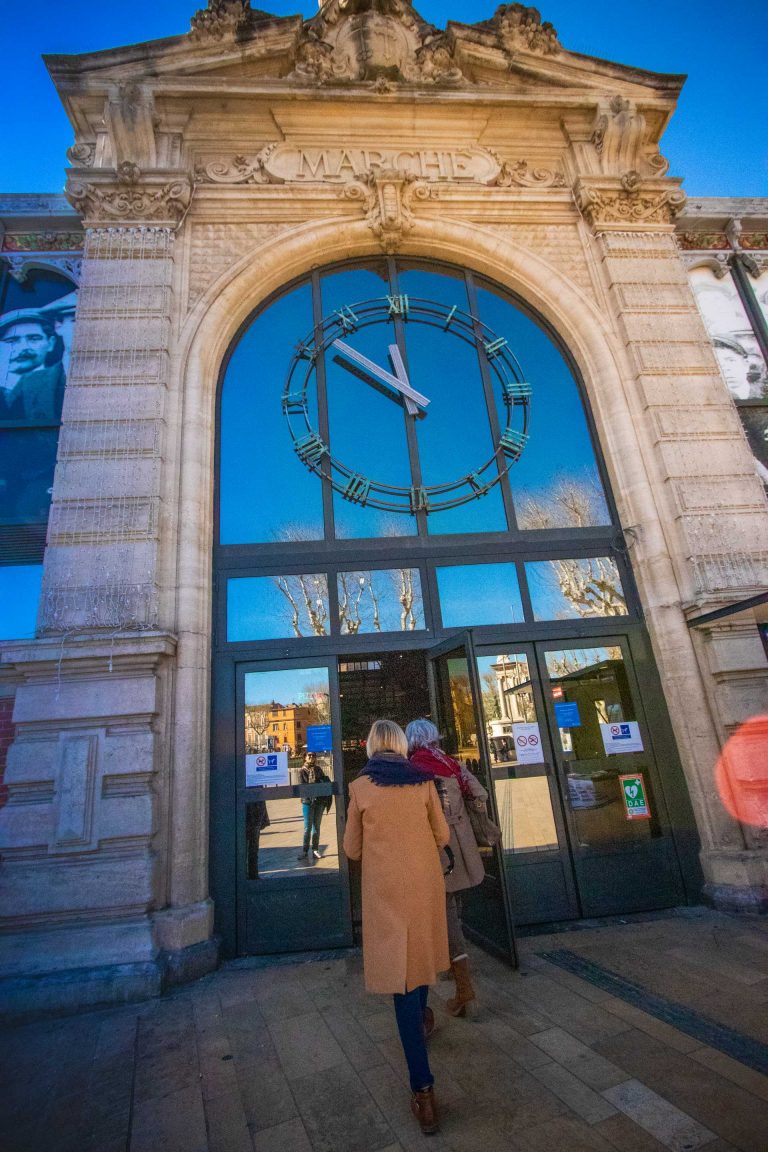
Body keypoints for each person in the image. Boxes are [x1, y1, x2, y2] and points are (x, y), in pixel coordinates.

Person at [343, 719, 450, 1136]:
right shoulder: (423, 782)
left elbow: (352, 849)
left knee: (403, 980)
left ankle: (423, 1090)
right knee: (418, 959)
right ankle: (421, 1016)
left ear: (370, 746)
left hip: (387, 895)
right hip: (423, 886)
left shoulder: (360, 788)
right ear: (403, 746)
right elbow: (441, 834)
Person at [407, 718, 488, 1018]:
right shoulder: (451, 763)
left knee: (445, 911)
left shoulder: (414, 767)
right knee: (451, 906)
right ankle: (455, 973)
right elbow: (479, 795)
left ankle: (463, 985)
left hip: (436, 851)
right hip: (462, 848)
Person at [0, 311, 65, 423]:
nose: (23, 347)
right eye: (11, 341)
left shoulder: (62, 384)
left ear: (51, 343)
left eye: (34, 338)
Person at [298, 751, 331, 861]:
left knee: (316, 827)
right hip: (308, 802)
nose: (311, 757)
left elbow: (323, 784)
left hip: (319, 802)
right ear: (305, 758)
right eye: (309, 755)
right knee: (307, 828)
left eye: (313, 756)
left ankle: (315, 849)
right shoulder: (302, 771)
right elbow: (302, 787)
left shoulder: (318, 770)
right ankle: (304, 850)